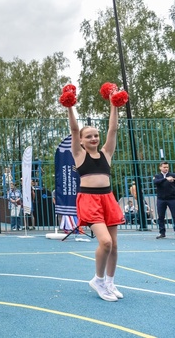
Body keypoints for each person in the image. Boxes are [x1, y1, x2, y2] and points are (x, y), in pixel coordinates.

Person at [67, 98, 125, 302]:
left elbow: (113, 129)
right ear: (81, 141)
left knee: (115, 245)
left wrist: (114, 105)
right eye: (88, 136)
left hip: (107, 199)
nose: (93, 138)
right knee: (106, 242)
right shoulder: (79, 154)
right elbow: (74, 129)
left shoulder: (106, 153)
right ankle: (98, 280)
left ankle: (110, 282)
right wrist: (70, 107)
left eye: (96, 135)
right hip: (89, 201)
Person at [153, 161, 175, 239]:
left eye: (167, 167)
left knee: (174, 215)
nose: (166, 169)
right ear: (160, 167)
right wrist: (165, 179)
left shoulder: (172, 175)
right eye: (164, 167)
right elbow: (156, 182)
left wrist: (172, 179)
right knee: (161, 216)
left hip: (172, 199)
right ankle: (162, 232)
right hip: (161, 199)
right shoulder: (157, 176)